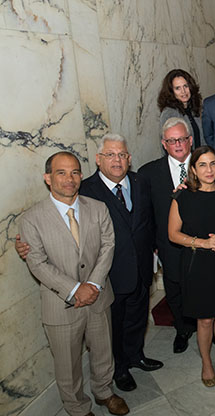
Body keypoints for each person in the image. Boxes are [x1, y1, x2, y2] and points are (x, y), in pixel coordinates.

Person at [16, 135, 164, 392]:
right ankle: (119, 370)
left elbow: (149, 219)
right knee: (111, 328)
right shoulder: (84, 188)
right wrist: (24, 245)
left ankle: (136, 355)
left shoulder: (141, 182)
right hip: (108, 276)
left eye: (122, 155)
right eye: (110, 155)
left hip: (140, 267)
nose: (117, 160)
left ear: (129, 159)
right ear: (98, 159)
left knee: (137, 318)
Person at [19, 151, 129, 416]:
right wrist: (74, 289)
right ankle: (77, 407)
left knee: (103, 351)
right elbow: (37, 262)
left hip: (99, 296)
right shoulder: (31, 218)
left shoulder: (97, 208)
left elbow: (108, 246)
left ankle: (104, 391)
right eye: (61, 172)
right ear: (48, 178)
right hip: (61, 304)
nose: (69, 179)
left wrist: (92, 284)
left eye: (75, 172)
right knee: (67, 364)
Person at [168, 146, 215, 387]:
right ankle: (206, 363)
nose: (208, 170)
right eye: (202, 164)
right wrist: (204, 243)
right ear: (193, 169)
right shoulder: (182, 197)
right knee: (205, 319)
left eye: (213, 164)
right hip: (197, 263)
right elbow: (173, 234)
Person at [138, 117, 196, 354]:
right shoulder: (149, 173)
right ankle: (182, 329)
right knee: (174, 287)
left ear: (190, 140)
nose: (178, 145)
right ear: (164, 144)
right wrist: (153, 244)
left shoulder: (208, 163)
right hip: (169, 243)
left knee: (202, 286)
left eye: (182, 139)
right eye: (172, 141)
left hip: (204, 241)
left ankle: (206, 326)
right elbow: (146, 213)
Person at [158, 69, 203, 149]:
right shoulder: (169, 113)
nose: (183, 91)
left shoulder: (192, 109)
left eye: (185, 86)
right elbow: (169, 146)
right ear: (171, 92)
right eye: (178, 88)